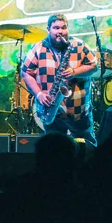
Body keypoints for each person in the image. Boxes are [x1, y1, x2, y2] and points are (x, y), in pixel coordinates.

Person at [22, 13, 99, 149]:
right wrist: (39, 94)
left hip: (78, 110)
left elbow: (94, 66)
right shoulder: (38, 48)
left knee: (87, 147)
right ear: (48, 29)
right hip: (52, 110)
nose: (60, 32)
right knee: (54, 150)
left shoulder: (79, 45)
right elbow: (26, 72)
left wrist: (75, 72)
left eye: (63, 28)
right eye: (56, 28)